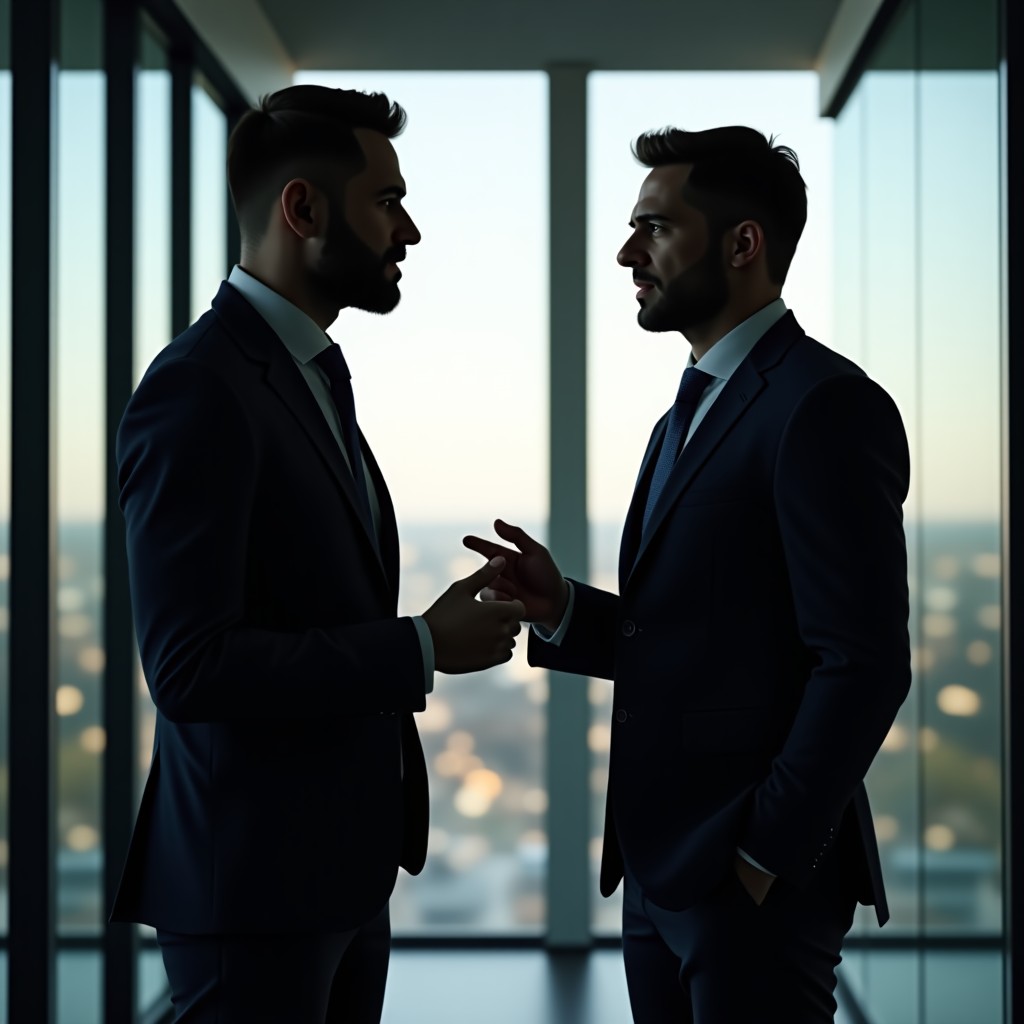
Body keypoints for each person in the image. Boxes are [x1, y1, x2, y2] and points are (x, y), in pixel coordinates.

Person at [465, 126, 911, 1023]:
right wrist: (564, 609)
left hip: (749, 888)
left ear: (743, 244)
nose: (628, 253)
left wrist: (760, 857)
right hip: (662, 876)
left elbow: (863, 664)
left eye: (656, 227)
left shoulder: (825, 404)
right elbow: (711, 637)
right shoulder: (686, 413)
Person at [111, 85, 524, 1023]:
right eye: (387, 201)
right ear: (303, 208)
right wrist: (423, 644)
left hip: (334, 878)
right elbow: (189, 667)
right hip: (251, 893)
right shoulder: (200, 388)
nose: (408, 230)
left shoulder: (301, 375)